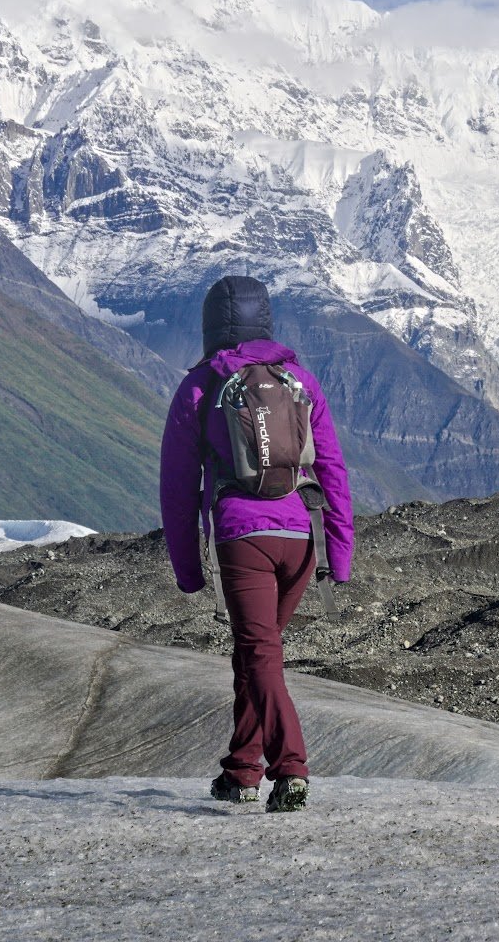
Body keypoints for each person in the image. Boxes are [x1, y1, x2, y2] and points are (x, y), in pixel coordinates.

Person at [159, 275, 355, 813]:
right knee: (256, 652)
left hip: (243, 539)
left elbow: (178, 486)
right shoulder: (301, 382)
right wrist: (339, 554)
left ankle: (289, 768)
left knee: (260, 653)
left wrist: (188, 569)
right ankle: (242, 772)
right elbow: (332, 469)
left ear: (210, 328)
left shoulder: (201, 386)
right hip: (301, 537)